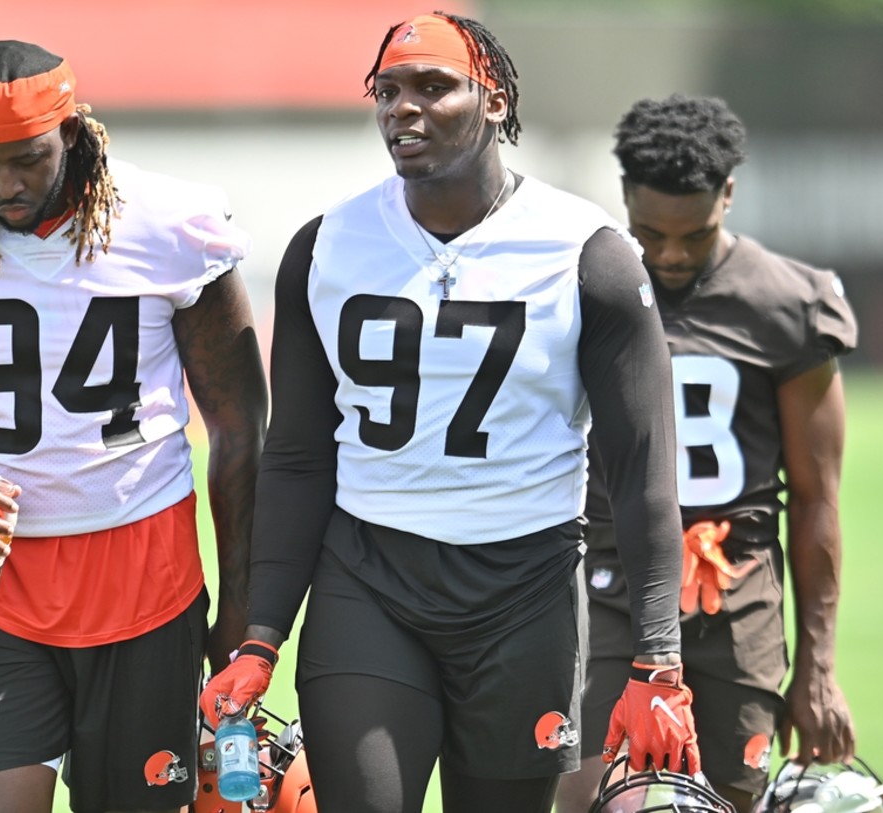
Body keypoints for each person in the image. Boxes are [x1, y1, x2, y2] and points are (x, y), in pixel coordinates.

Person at [198, 13, 700, 813]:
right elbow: (296, 452)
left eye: (435, 87)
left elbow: (641, 468)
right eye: (388, 91)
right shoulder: (326, 245)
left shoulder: (587, 252)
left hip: (525, 589)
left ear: (494, 100)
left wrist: (658, 660)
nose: (404, 108)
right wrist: (262, 633)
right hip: (370, 577)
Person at [0, 40, 268, 813]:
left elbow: (241, 426)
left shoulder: (172, 227)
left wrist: (240, 603)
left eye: (29, 159)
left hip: (147, 574)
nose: (5, 185)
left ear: (72, 133)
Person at [555, 93, 858, 813]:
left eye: (693, 235)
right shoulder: (578, 286)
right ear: (623, 194)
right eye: (650, 232)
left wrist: (817, 668)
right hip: (604, 582)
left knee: (724, 801)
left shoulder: (786, 302)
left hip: (736, 592)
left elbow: (817, 496)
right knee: (584, 799)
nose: (668, 255)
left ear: (729, 193)